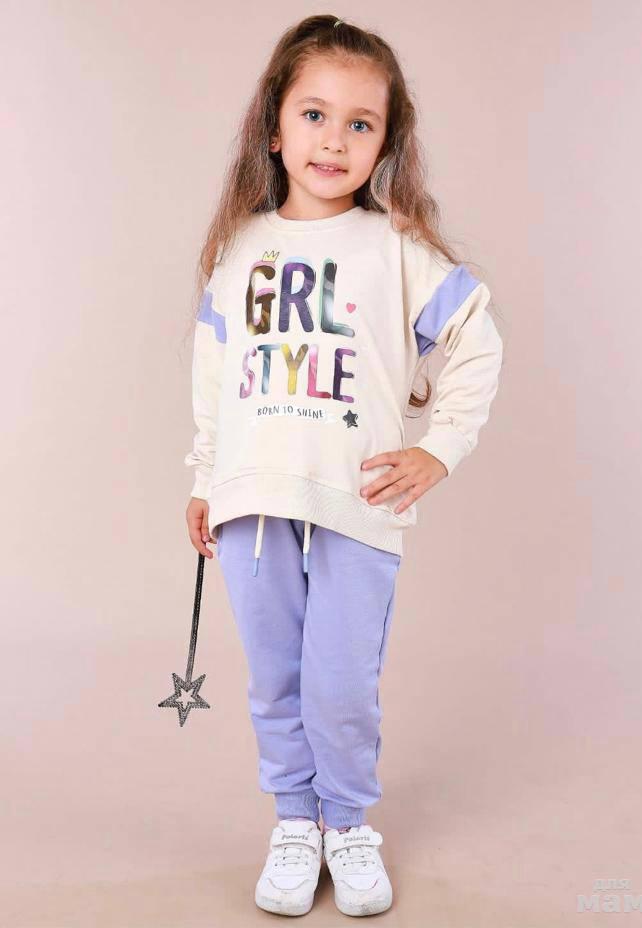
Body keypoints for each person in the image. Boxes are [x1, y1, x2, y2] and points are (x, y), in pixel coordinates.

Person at [183, 13, 504, 918]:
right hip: (252, 499)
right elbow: (213, 377)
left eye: (360, 124)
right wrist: (205, 478)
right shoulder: (238, 250)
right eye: (314, 115)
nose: (333, 140)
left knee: (340, 681)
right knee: (275, 678)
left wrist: (438, 449)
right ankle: (296, 820)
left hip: (356, 501)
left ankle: (348, 824)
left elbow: (477, 343)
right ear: (273, 127)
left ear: (385, 142)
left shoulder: (396, 248)